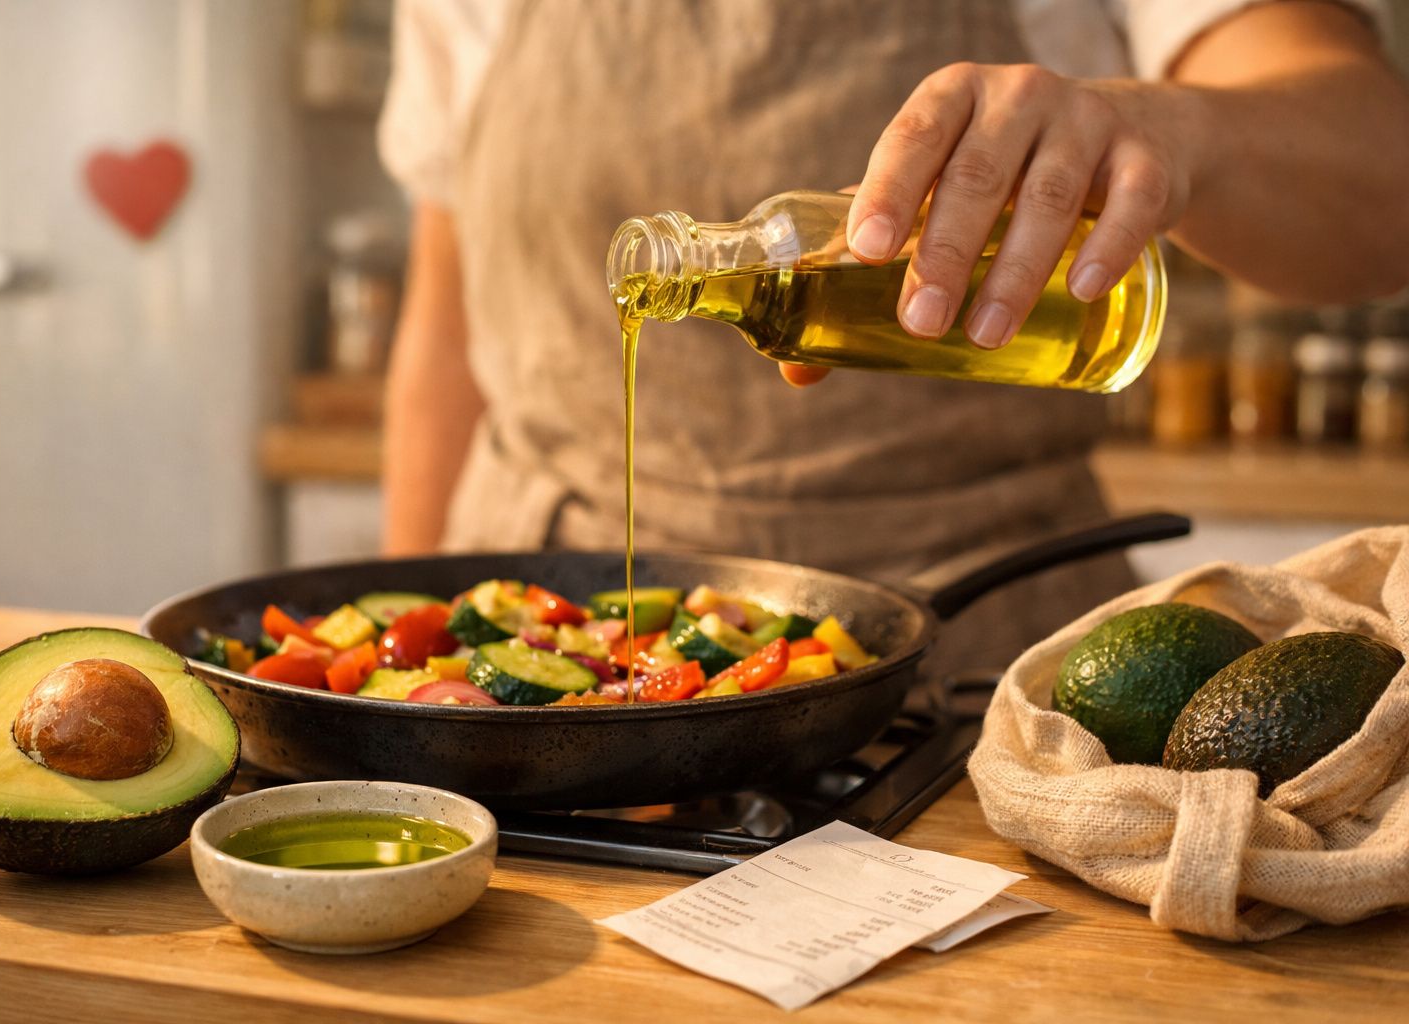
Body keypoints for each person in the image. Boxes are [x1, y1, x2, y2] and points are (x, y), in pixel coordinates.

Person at [377, 0, 1409, 674]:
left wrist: (1175, 129)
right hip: (550, 611)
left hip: (979, 636)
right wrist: (402, 674)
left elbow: (1383, 193)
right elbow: (449, 320)